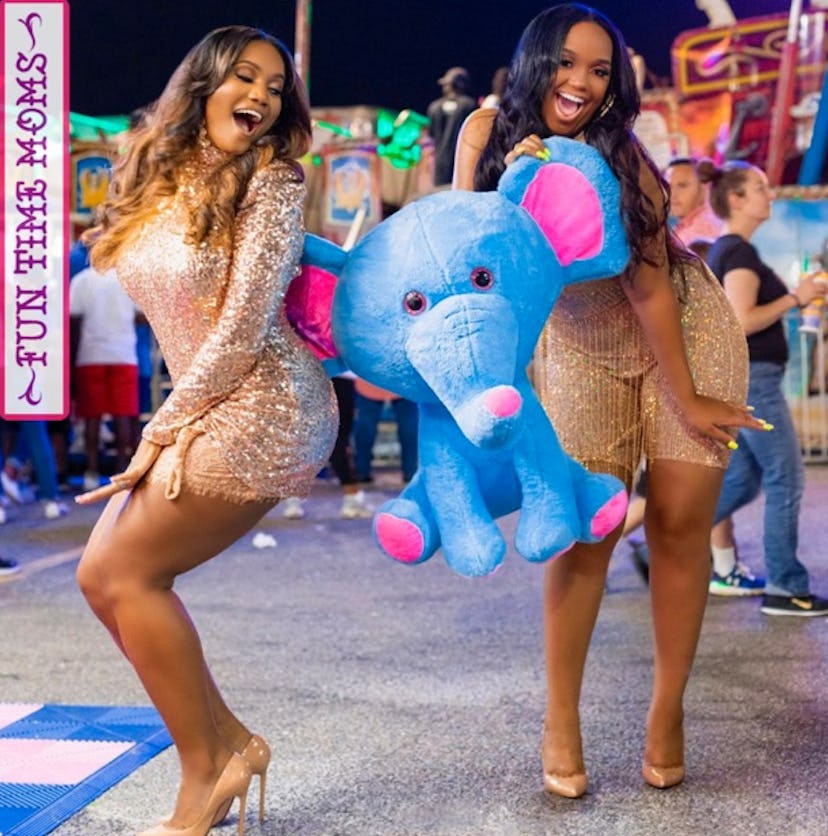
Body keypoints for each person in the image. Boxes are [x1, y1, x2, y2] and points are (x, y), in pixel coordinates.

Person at [454, 3, 763, 797]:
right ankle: (562, 719)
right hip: (580, 349)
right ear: (534, 62)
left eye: (600, 71)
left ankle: (668, 710)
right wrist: (512, 189)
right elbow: (467, 258)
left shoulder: (623, 158)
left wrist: (689, 397)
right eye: (566, 63)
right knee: (582, 533)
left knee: (678, 524)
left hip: (683, 335)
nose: (582, 84)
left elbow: (654, 287)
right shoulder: (486, 137)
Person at [74, 25, 337, 835]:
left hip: (269, 402)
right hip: (202, 400)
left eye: (274, 86)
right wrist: (171, 423)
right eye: (244, 78)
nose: (260, 97)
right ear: (203, 85)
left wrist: (160, 429)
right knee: (98, 577)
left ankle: (205, 770)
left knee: (128, 575)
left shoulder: (274, 181)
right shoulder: (158, 179)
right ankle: (230, 745)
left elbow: (245, 328)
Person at [702, 159, 828, 616]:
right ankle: (784, 586)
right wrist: (796, 297)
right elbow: (741, 321)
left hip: (747, 379)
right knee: (785, 477)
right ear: (735, 200)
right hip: (755, 379)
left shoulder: (731, 251)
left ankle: (667, 543)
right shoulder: (738, 253)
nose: (769, 194)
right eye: (759, 187)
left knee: (743, 479)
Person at [69, 264, 142, 491]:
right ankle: (122, 470)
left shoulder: (81, 280)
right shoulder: (128, 279)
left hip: (90, 354)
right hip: (123, 353)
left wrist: (72, 358)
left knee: (92, 418)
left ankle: (92, 471)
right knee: (123, 415)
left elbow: (74, 321)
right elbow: (142, 316)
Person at [353, 377, 418, 484]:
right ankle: (410, 472)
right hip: (404, 379)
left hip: (370, 377)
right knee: (409, 425)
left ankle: (362, 472)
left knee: (366, 426)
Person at [427, 66, 477, 188]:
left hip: (439, 169)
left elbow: (431, 137)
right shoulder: (469, 105)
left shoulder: (434, 107)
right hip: (460, 167)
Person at [664, 157, 723, 246]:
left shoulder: (701, 230)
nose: (673, 194)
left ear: (704, 186)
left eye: (682, 186)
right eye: (669, 186)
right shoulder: (686, 225)